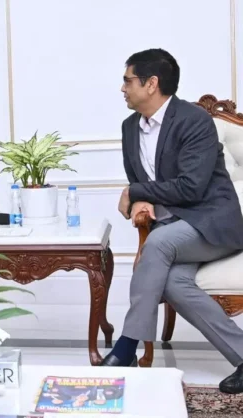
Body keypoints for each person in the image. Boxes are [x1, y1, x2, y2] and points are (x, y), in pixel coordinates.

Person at [103, 48, 243, 394]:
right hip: (174, 228)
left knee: (159, 243)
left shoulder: (194, 121)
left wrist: (134, 190)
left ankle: (126, 347)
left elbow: (192, 187)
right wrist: (141, 199)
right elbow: (143, 182)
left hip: (213, 223)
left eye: (128, 80)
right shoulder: (129, 127)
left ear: (152, 84)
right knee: (171, 285)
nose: (123, 88)